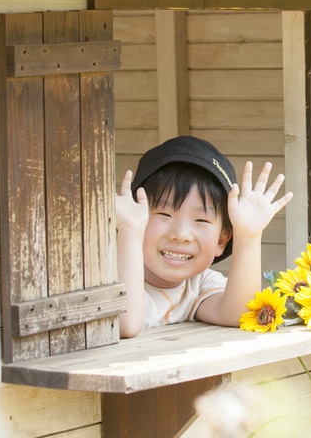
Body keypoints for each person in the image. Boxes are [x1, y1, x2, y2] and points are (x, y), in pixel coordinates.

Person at [115, 135, 293, 337]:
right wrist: (129, 232)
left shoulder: (198, 283)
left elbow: (239, 313)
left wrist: (248, 236)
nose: (181, 235)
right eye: (164, 214)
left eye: (201, 220)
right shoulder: (110, 273)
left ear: (221, 241)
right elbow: (124, 324)